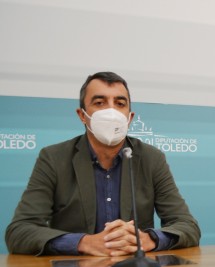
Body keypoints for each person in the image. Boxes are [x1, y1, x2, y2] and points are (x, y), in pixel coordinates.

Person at [5, 71, 201, 255]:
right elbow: (19, 231)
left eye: (120, 103)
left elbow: (187, 226)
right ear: (82, 115)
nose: (111, 111)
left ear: (130, 117)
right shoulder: (53, 158)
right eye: (100, 102)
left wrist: (148, 240)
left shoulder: (151, 158)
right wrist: (84, 242)